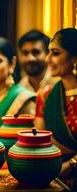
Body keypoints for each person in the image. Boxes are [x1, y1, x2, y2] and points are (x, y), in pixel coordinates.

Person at [34, 28, 77, 190]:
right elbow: (39, 141)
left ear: (74, 58)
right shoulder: (45, 95)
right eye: (48, 52)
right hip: (53, 177)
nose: (47, 59)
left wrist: (71, 164)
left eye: (56, 53)